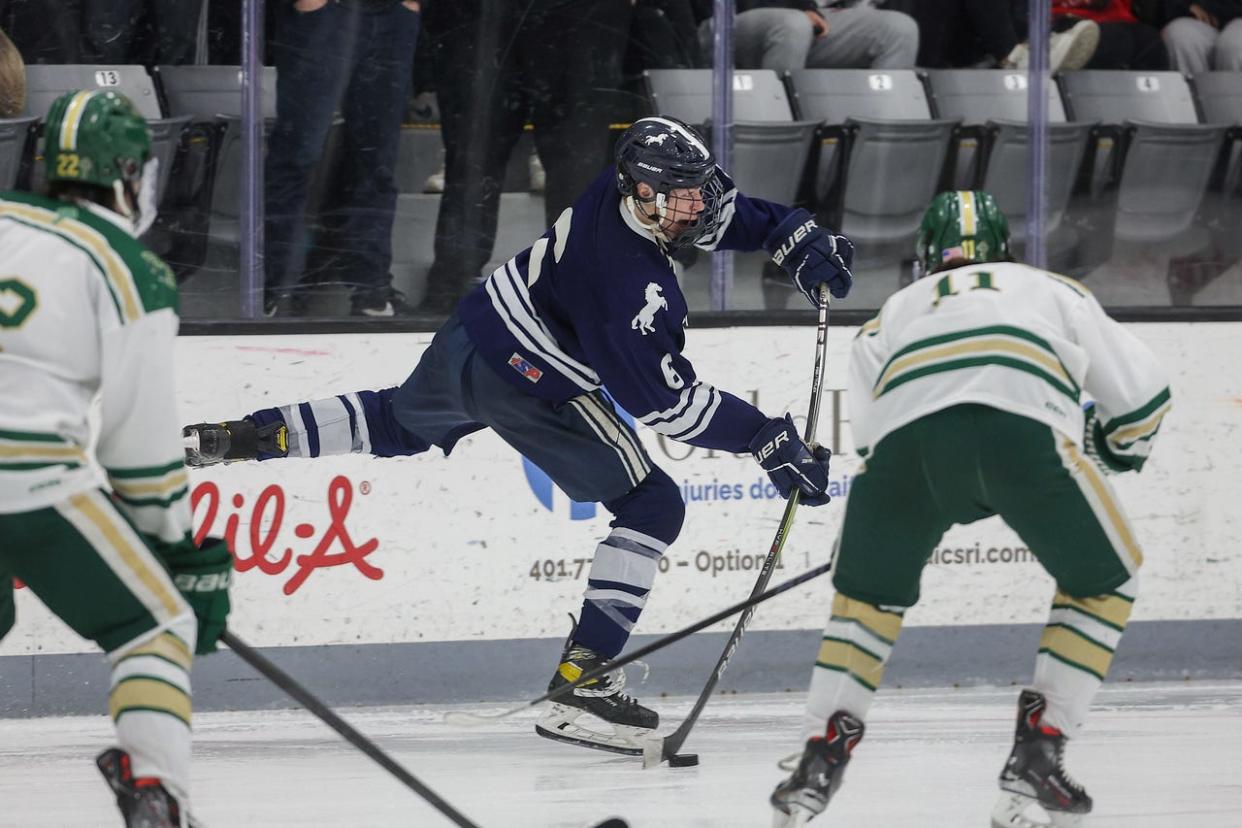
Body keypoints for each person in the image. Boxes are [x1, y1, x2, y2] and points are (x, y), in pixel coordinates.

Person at [181, 116, 854, 755]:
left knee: (392, 421)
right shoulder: (629, 288)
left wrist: (787, 234)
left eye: (697, 188)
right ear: (643, 196)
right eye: (682, 195)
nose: (698, 205)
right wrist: (765, 437)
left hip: (474, 336)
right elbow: (667, 406)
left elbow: (715, 212)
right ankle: (583, 679)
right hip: (533, 384)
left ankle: (244, 437)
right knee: (653, 506)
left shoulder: (622, 192)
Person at [770, 191, 1171, 828]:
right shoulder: (1049, 288)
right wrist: (1113, 452)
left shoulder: (891, 314)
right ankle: (1039, 749)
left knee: (866, 604)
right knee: (1108, 581)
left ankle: (819, 761)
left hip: (906, 458)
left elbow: (879, 442)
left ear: (925, 257)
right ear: (1003, 250)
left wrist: (946, 499)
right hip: (1026, 434)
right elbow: (1144, 399)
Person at [0, 90, 233, 827]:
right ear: (134, 174)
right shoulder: (129, 267)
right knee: (155, 627)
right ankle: (159, 796)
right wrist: (174, 555)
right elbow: (141, 448)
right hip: (30, 484)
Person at [416, 0, 633, 314]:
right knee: (473, 153)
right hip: (479, 14)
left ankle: (577, 292)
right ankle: (451, 290)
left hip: (578, 14)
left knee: (575, 158)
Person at [264, 0, 422, 317]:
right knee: (299, 154)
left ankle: (372, 288)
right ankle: (277, 287)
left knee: (377, 160)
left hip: (389, 14)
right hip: (329, 10)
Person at [694, 0, 919, 73]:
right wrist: (801, 6)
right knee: (793, 23)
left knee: (899, 28)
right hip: (730, 17)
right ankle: (780, 134)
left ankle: (878, 149)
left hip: (818, 16)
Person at [1162, 1, 1242, 72]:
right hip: (1201, 17)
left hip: (1236, 17)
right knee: (1179, 35)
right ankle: (1193, 88)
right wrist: (1186, 6)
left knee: (1233, 45)